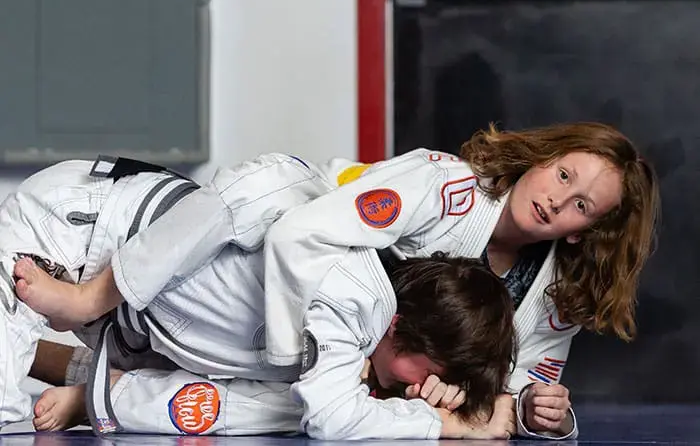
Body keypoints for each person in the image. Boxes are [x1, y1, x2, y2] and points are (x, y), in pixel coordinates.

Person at [15, 121, 660, 439]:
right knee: (309, 394)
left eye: (581, 205)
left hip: (355, 345)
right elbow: (300, 234)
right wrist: (298, 359)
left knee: (295, 405)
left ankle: (93, 385)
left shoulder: (554, 298)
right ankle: (93, 303)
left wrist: (535, 412)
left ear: (585, 232)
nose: (557, 199)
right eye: (563, 175)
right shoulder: (446, 188)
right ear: (544, 158)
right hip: (282, 255)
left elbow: (506, 391)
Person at [29, 252, 517, 439]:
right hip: (162, 313)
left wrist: (442, 404)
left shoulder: (387, 330)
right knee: (284, 409)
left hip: (164, 337)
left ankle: (84, 384)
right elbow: (329, 419)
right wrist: (443, 425)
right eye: (432, 371)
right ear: (398, 326)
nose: (428, 384)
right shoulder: (343, 311)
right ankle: (100, 395)